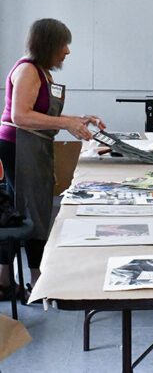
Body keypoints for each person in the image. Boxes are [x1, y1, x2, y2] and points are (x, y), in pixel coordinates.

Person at [0, 18, 105, 296]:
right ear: (47, 44)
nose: (67, 51)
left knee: (21, 211)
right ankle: (37, 282)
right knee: (32, 212)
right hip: (20, 147)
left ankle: (5, 280)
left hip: (34, 146)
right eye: (63, 44)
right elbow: (19, 116)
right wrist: (66, 124)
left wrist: (78, 119)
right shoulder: (28, 71)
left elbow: (45, 115)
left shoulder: (43, 72)